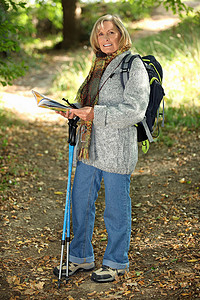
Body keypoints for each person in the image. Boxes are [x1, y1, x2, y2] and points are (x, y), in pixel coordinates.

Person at [54, 14, 150, 283]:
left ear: (121, 35)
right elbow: (86, 101)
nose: (105, 38)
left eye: (111, 33)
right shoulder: (98, 65)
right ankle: (81, 257)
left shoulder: (133, 65)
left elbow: (135, 110)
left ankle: (116, 261)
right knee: (80, 202)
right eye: (100, 34)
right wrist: (74, 111)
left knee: (116, 208)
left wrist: (94, 114)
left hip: (117, 149)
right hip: (89, 148)